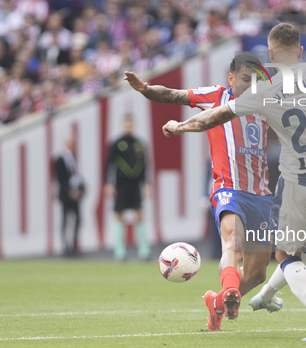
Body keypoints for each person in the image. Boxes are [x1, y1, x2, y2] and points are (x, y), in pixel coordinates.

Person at [162, 22, 306, 341]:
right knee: (304, 248)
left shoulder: (262, 93)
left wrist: (181, 126)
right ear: (300, 51)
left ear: (270, 54)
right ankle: (266, 295)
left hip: (302, 187)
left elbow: (213, 116)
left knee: (287, 257)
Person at [123, 52, 279, 332]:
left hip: (261, 194)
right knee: (232, 241)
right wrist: (146, 90)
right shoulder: (215, 96)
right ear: (231, 78)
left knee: (256, 274)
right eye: (245, 78)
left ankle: (217, 304)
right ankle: (229, 292)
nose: (251, 84)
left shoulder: (265, 102)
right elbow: (172, 95)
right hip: (228, 188)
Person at [104, 114, 150, 261]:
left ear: (134, 124)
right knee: (119, 216)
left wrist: (147, 184)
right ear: (123, 124)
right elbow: (108, 165)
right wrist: (108, 183)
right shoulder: (116, 144)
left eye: (131, 123)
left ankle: (144, 251)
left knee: (140, 215)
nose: (129, 126)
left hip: (135, 185)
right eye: (127, 123)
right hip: (121, 185)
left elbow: (144, 166)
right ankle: (120, 252)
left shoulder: (139, 143)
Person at [55, 137, 85, 256]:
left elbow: (77, 176)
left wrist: (81, 189)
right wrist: (70, 191)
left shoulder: (74, 158)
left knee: (78, 219)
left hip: (76, 194)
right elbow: (60, 179)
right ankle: (65, 246)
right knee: (65, 220)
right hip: (66, 195)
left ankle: (73, 244)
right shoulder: (60, 159)